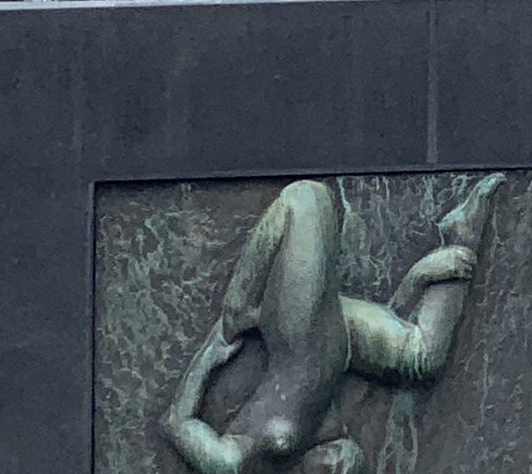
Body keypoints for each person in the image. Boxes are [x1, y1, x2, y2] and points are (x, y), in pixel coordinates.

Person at [161, 171, 502, 473]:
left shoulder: (240, 461)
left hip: (298, 335)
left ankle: (241, 303)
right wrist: (417, 277)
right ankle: (462, 232)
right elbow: (375, 360)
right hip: (341, 342)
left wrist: (212, 350)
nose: (340, 467)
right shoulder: (326, 431)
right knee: (423, 356)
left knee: (306, 199)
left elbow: (176, 422)